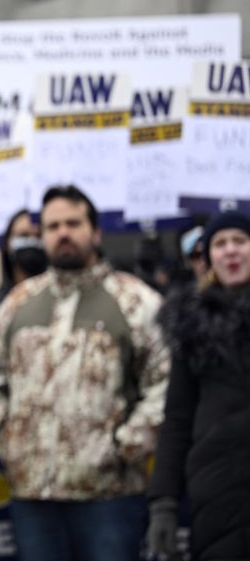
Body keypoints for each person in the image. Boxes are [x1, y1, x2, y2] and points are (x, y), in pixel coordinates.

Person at [0, 185, 171, 561]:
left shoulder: (137, 303)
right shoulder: (17, 304)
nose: (62, 233)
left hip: (109, 496)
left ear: (95, 232)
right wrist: (12, 440)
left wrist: (123, 447)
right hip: (32, 495)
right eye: (52, 226)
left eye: (73, 223)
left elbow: (164, 383)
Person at [146, 210, 250, 561]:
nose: (231, 251)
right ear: (207, 260)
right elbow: (177, 419)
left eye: (240, 241)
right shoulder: (191, 330)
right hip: (218, 492)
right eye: (220, 244)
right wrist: (164, 503)